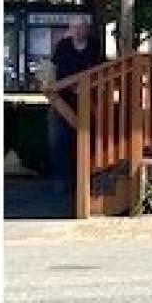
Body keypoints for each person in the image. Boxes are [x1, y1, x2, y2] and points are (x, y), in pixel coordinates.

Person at [44, 17, 105, 196]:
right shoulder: (62, 46)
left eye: (81, 27)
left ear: (87, 29)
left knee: (86, 141)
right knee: (57, 142)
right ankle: (61, 182)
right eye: (74, 27)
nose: (77, 31)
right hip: (60, 100)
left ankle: (83, 182)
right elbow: (53, 69)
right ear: (70, 29)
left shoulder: (94, 46)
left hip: (86, 102)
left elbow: (99, 71)